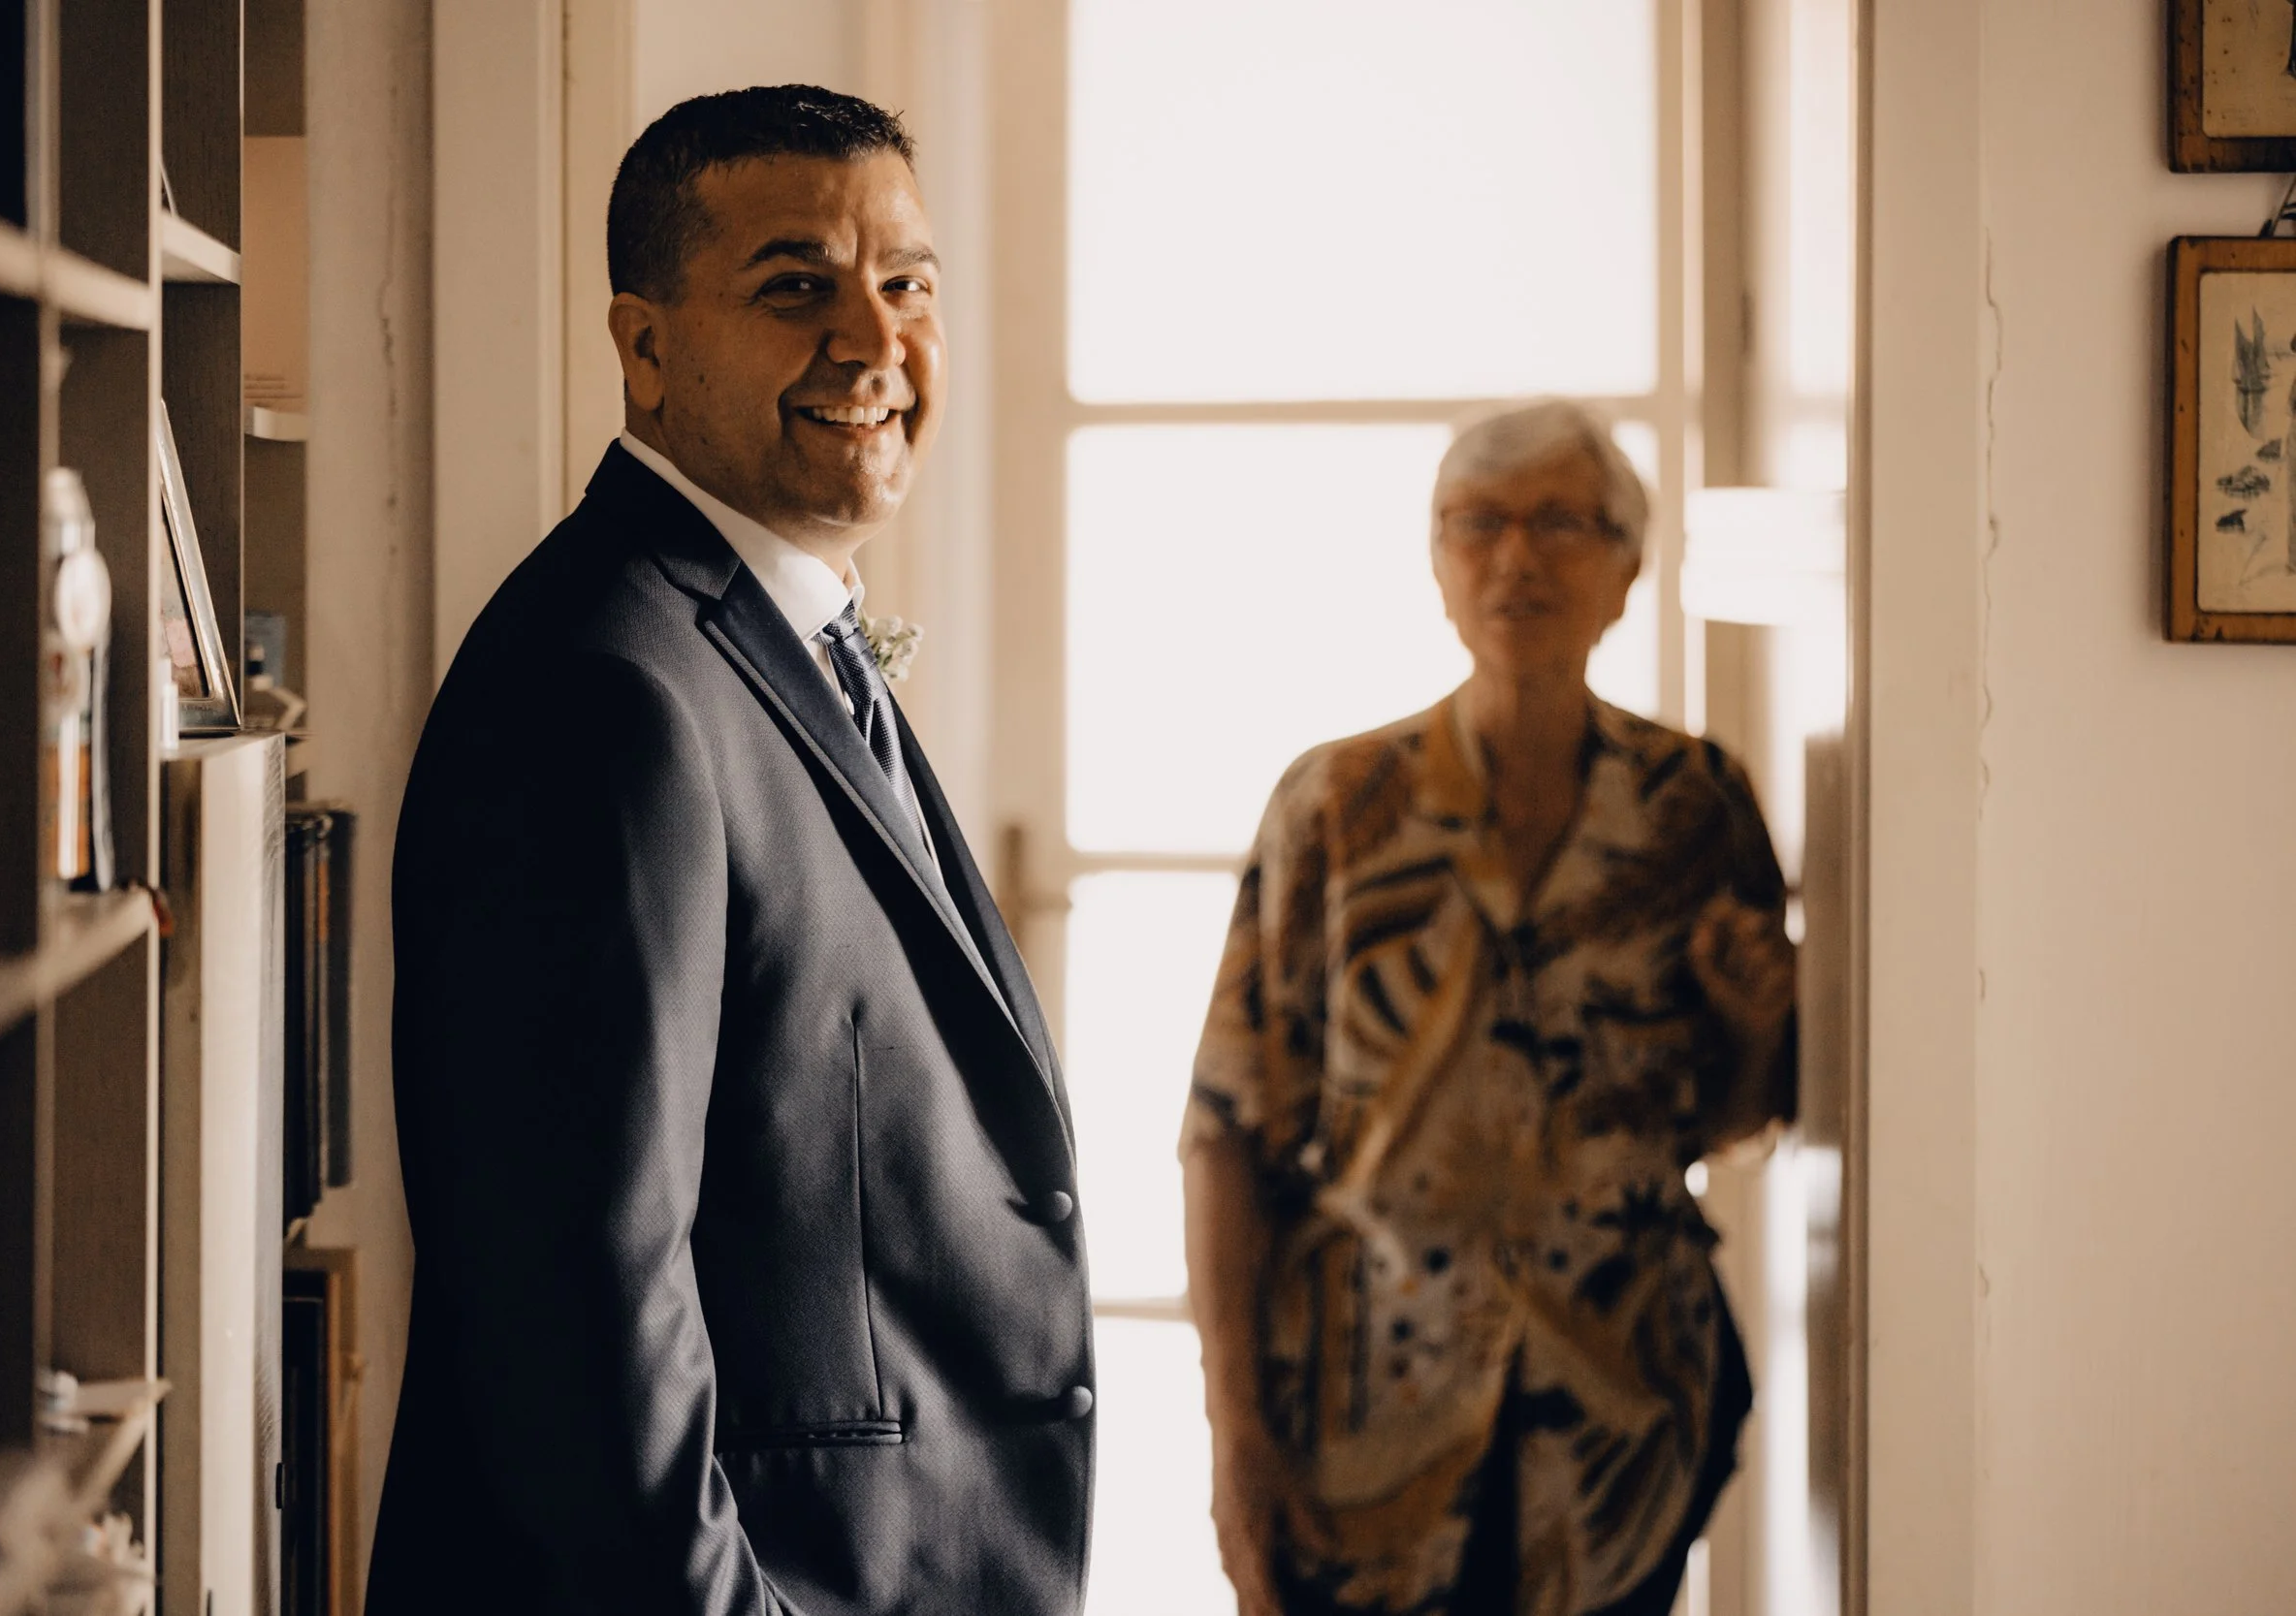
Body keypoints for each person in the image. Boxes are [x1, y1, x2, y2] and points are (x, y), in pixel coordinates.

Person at [370, 87, 1092, 1615]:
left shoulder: (781, 637)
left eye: (906, 285)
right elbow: (580, 1314)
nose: (871, 341)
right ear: (644, 344)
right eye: (795, 289)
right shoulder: (605, 686)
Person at [1181, 401, 1796, 1616]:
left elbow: (1732, 1117)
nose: (1516, 557)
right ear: (1439, 567)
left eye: (1562, 523)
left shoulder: (1695, 807)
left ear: (1627, 570)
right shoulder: (1336, 806)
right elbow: (1224, 1131)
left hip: (1621, 1423)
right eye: (1478, 525)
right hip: (1361, 1417)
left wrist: (1759, 1026)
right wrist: (1234, 1436)